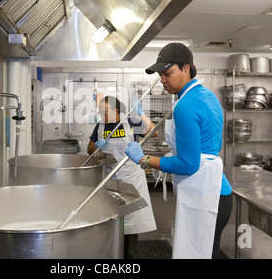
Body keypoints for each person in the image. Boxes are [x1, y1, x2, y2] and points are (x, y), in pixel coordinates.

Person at [125, 43, 233, 259]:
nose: (163, 80)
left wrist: (143, 159)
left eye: (167, 73)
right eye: (160, 75)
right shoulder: (206, 95)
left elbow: (188, 164)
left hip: (206, 193)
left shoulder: (185, 106)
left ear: (186, 68)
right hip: (216, 190)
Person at [87, 96, 158, 259]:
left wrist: (142, 114)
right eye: (100, 113)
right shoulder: (100, 126)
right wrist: (96, 146)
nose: (102, 116)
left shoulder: (130, 122)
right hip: (110, 178)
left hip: (130, 178)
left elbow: (154, 133)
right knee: (111, 221)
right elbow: (89, 148)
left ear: (116, 111)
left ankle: (130, 258)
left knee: (130, 223)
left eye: (105, 112)